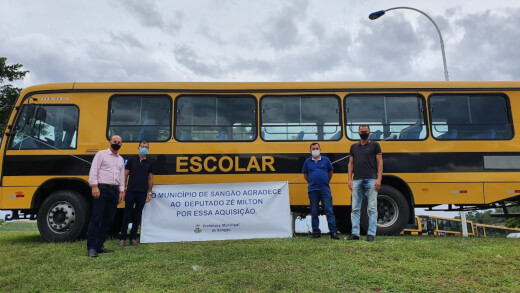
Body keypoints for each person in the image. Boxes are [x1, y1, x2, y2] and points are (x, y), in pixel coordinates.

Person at [87, 135, 125, 257]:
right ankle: (91, 247)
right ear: (110, 142)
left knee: (108, 220)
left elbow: (121, 177)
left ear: (121, 144)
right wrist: (94, 186)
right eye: (115, 141)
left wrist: (121, 191)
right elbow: (94, 170)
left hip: (114, 191)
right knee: (96, 218)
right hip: (102, 189)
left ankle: (100, 245)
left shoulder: (120, 159)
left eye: (119, 142)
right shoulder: (101, 154)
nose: (117, 143)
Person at [346, 125, 383, 242]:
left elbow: (380, 162)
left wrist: (379, 179)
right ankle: (355, 233)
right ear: (358, 133)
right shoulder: (353, 147)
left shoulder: (375, 145)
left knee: (372, 207)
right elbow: (350, 164)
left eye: (365, 131)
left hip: (371, 179)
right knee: (355, 208)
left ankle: (371, 234)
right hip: (357, 180)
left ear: (369, 132)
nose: (363, 133)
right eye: (362, 131)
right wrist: (349, 179)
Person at [119, 140, 154, 247]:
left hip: (142, 193)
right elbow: (125, 175)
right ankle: (122, 239)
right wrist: (123, 190)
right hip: (130, 192)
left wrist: (149, 193)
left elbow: (151, 179)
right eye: (142, 146)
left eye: (146, 147)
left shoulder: (150, 162)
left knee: (137, 216)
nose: (144, 148)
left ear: (148, 149)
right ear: (138, 148)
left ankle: (133, 238)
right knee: (127, 215)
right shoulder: (131, 160)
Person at [302, 142, 340, 239]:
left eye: (317, 148)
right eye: (313, 149)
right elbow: (305, 175)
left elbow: (330, 172)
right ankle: (316, 233)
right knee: (314, 211)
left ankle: (333, 232)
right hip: (313, 190)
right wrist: (311, 182)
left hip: (325, 189)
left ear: (320, 149)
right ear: (310, 150)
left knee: (329, 211)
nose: (315, 150)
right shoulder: (307, 162)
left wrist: (325, 181)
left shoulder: (326, 160)